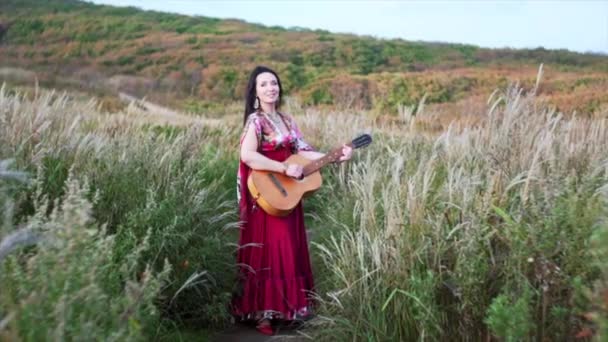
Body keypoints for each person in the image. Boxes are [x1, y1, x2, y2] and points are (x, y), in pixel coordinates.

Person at [231, 65, 352, 335]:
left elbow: (304, 150)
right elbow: (248, 156)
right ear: (255, 92)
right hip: (266, 193)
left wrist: (335, 155)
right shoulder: (255, 121)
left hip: (287, 193)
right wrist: (284, 169)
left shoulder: (287, 120)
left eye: (273, 83)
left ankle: (288, 309)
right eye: (263, 84)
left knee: (288, 247)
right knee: (268, 248)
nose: (270, 88)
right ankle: (262, 313)